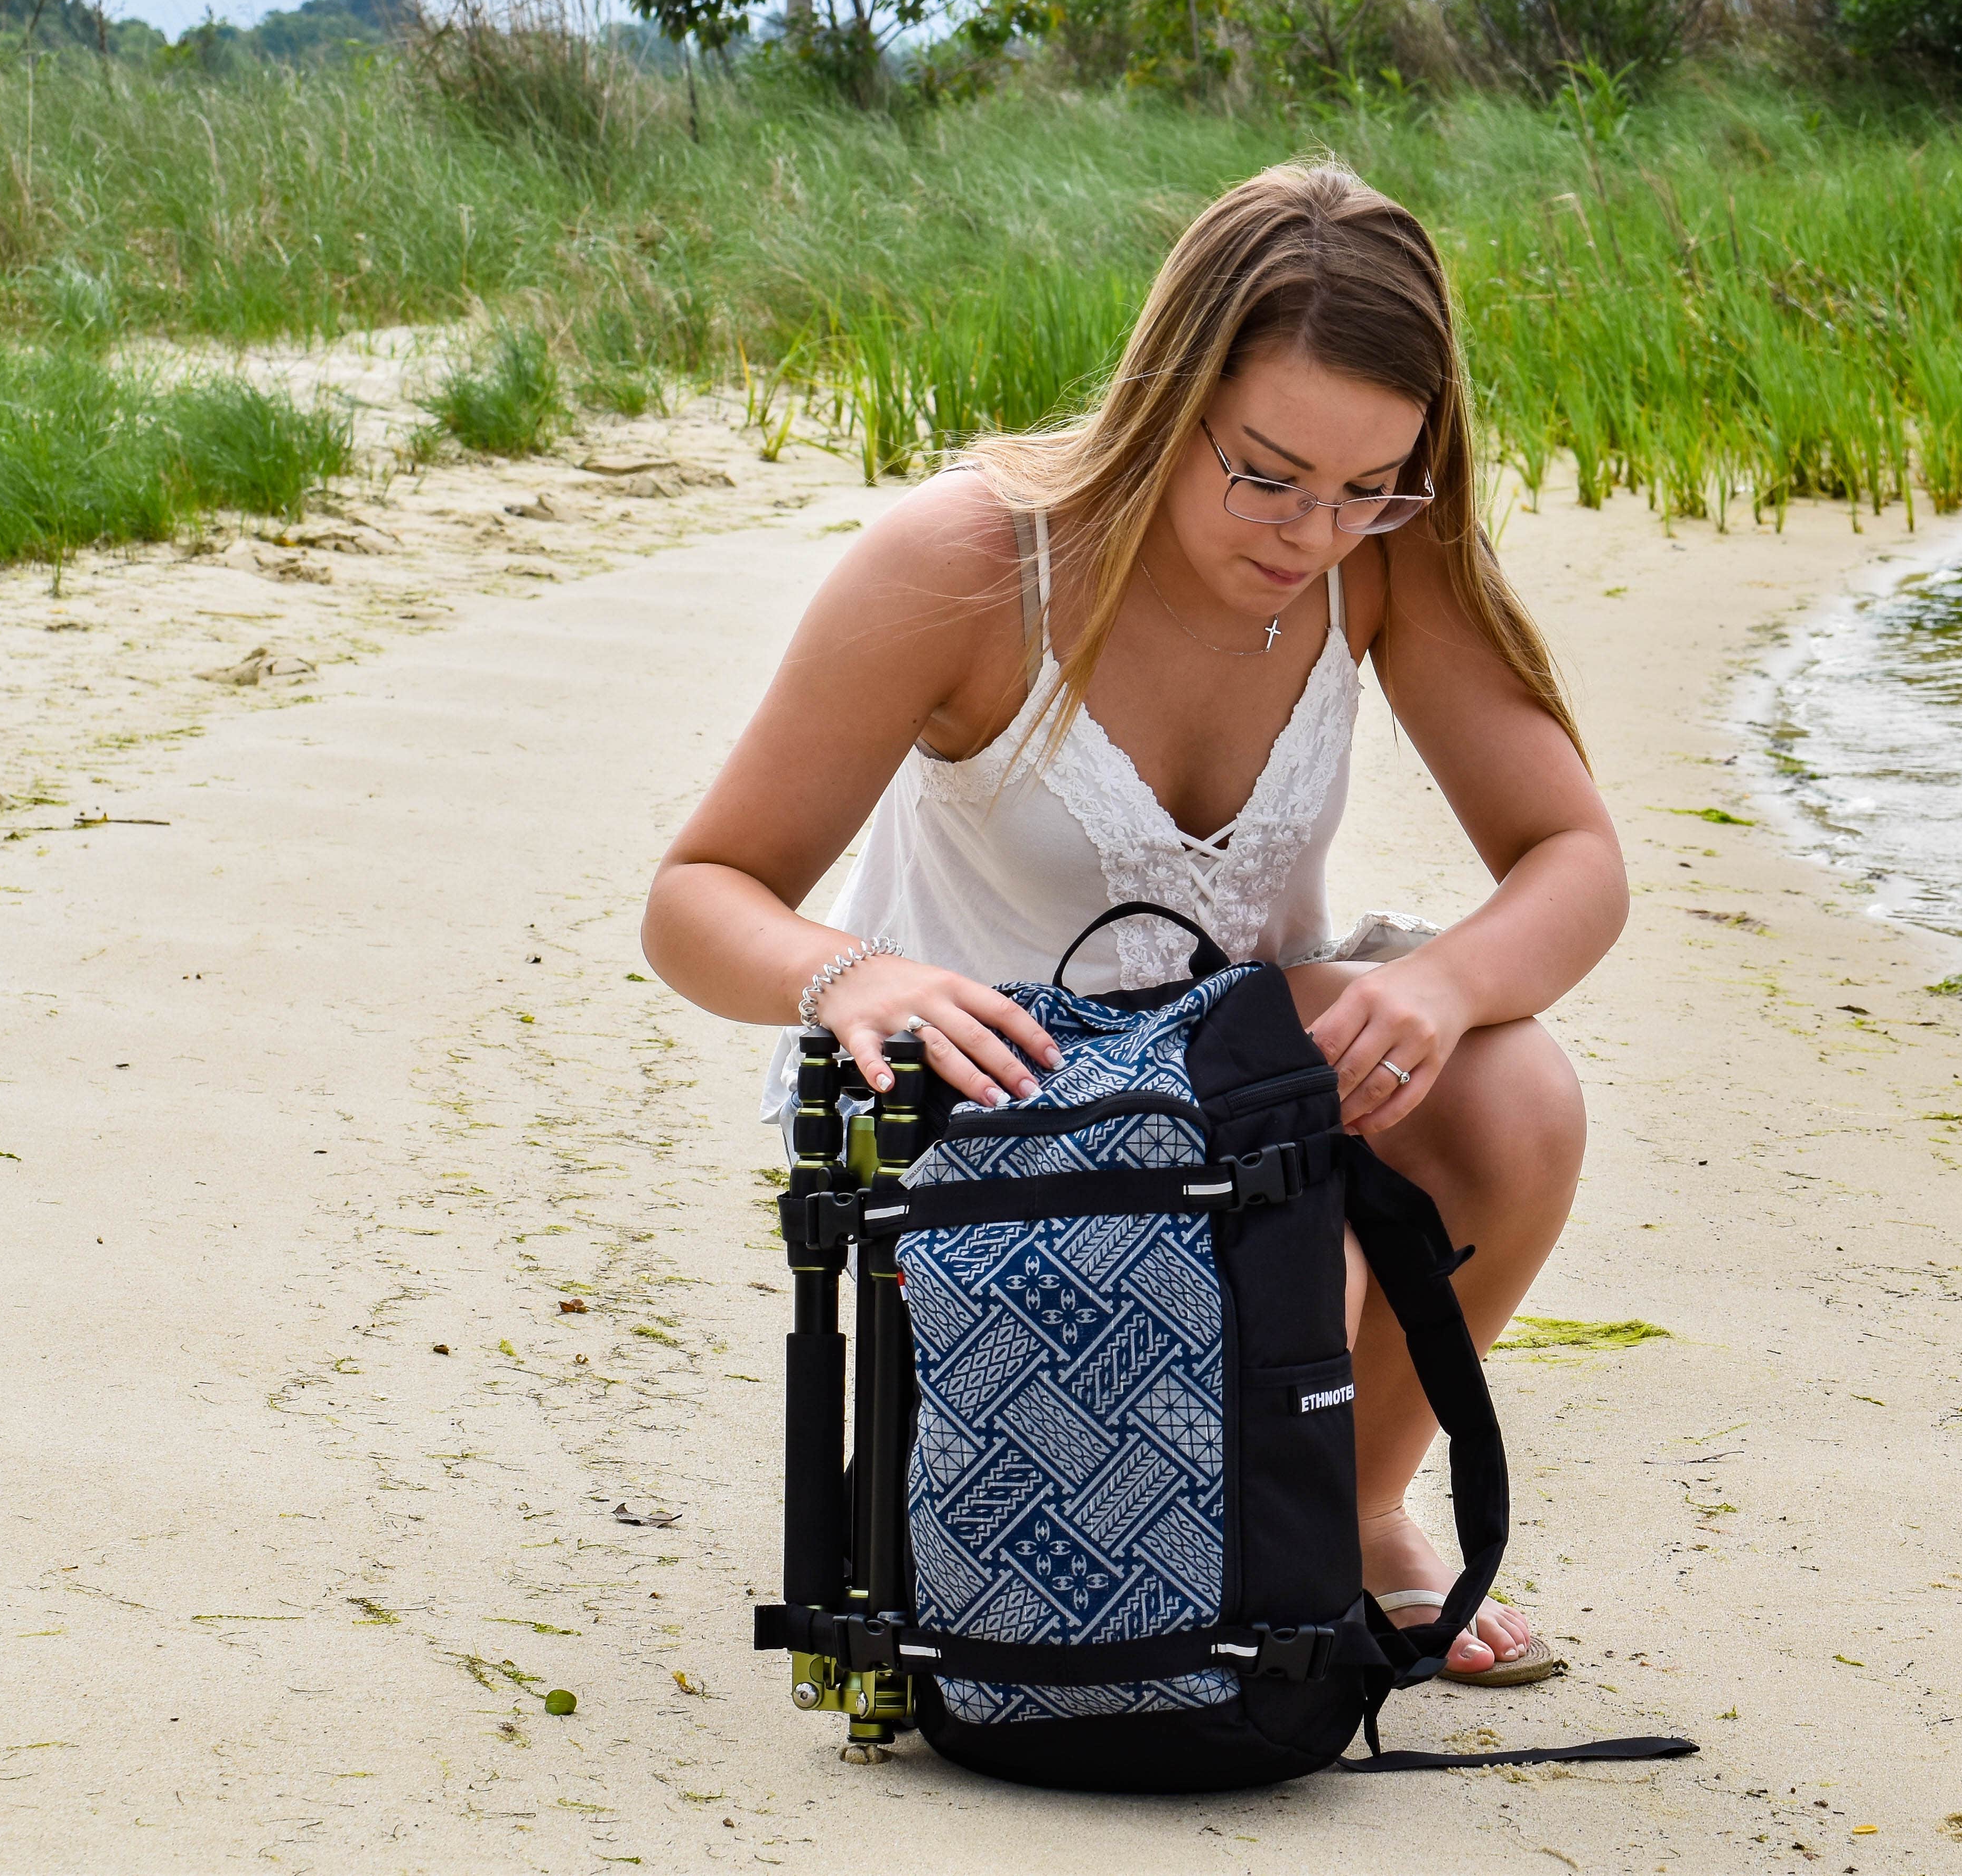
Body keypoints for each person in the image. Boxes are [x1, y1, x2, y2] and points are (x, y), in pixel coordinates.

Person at [641, 160, 1625, 1684]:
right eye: (1270, 472)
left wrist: (1439, 985)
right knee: (1306, 1257)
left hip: (1236, 1097)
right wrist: (852, 973)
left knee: (1517, 1090)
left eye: (1373, 483)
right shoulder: (968, 564)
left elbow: (1574, 857)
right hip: (995, 1106)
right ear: (1175, 395)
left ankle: (1358, 1510)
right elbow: (697, 897)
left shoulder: (1379, 557)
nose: (1317, 530)